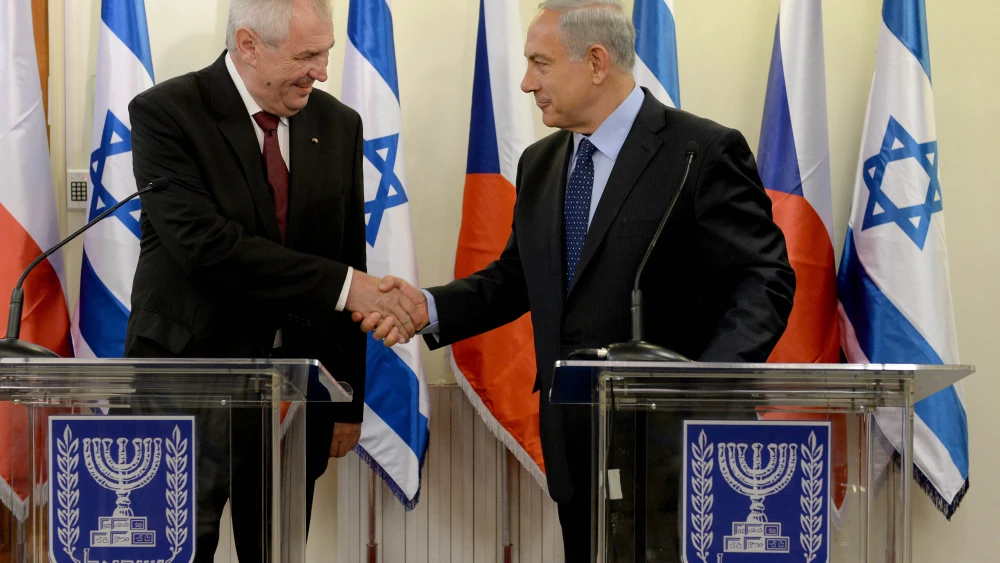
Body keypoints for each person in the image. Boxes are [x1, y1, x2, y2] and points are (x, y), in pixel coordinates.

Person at [357, 0, 795, 560]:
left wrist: (704, 385)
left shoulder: (700, 151)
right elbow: (518, 277)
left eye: (540, 63)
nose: (525, 83)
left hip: (676, 444)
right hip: (575, 439)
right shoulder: (540, 162)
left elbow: (764, 280)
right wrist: (428, 307)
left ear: (595, 61)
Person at [125, 0, 423, 559]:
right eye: (307, 55)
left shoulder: (337, 124)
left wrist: (347, 403)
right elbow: (207, 247)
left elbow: (345, 254)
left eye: (326, 52)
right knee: (173, 550)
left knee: (280, 549)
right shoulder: (168, 112)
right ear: (248, 43)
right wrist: (346, 285)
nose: (322, 71)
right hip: (187, 381)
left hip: (297, 395)